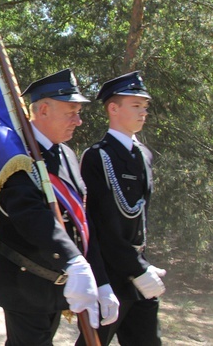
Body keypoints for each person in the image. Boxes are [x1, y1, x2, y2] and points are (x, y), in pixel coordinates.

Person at [0, 69, 119, 345]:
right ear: (44, 109)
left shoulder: (67, 154)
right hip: (25, 283)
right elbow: (29, 215)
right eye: (71, 112)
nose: (79, 121)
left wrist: (101, 278)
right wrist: (72, 260)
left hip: (60, 284)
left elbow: (84, 221)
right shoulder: (15, 153)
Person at [77, 72, 164, 345]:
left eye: (145, 106)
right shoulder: (97, 157)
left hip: (140, 273)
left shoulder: (144, 155)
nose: (143, 112)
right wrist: (137, 268)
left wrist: (143, 267)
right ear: (113, 109)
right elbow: (102, 224)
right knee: (95, 341)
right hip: (112, 274)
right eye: (136, 106)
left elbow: (140, 219)